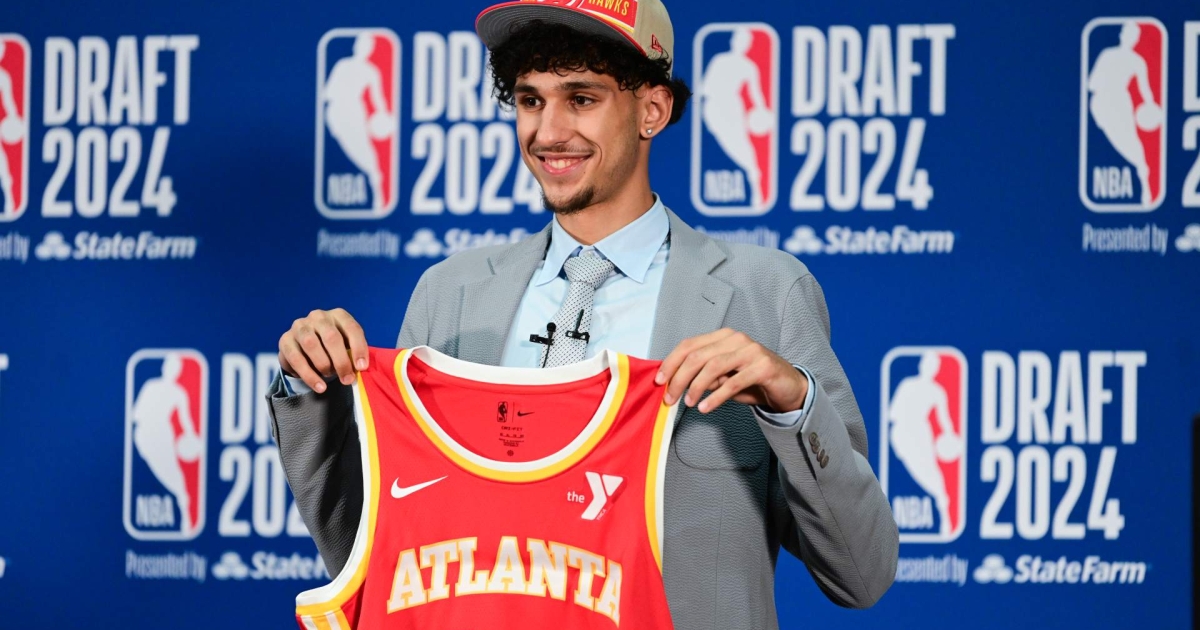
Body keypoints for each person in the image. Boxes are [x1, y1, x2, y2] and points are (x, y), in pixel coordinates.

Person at [269, 1, 897, 627]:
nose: (549, 132)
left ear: (652, 110)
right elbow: (377, 553)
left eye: (581, 98)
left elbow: (861, 573)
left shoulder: (765, 293)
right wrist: (312, 389)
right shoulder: (449, 294)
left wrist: (792, 403)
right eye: (530, 100)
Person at [1087, 21, 1157, 206]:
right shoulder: (1107, 55)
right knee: (1113, 140)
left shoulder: (1138, 61)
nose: (1130, 38)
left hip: (1121, 103)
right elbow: (1091, 83)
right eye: (1127, 33)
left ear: (1137, 39)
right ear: (1122, 35)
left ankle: (1145, 184)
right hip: (1100, 104)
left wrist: (1151, 106)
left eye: (1134, 36)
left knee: (1133, 144)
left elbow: (1145, 89)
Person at [886, 351, 957, 536]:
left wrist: (950, 436)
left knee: (933, 475)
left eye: (934, 366)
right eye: (927, 364)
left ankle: (945, 514)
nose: (929, 368)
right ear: (922, 366)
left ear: (936, 370)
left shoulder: (938, 392)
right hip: (901, 433)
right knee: (913, 470)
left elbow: (944, 420)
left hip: (921, 434)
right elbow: (893, 413)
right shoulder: (907, 384)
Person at [322, 32, 391, 209]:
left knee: (368, 155)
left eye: (368, 46)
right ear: (356, 46)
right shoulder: (343, 65)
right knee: (346, 152)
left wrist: (384, 117)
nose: (363, 48)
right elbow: (327, 93)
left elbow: (378, 100)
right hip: (336, 113)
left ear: (370, 50)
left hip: (355, 113)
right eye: (361, 44)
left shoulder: (371, 71)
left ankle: (378, 194)